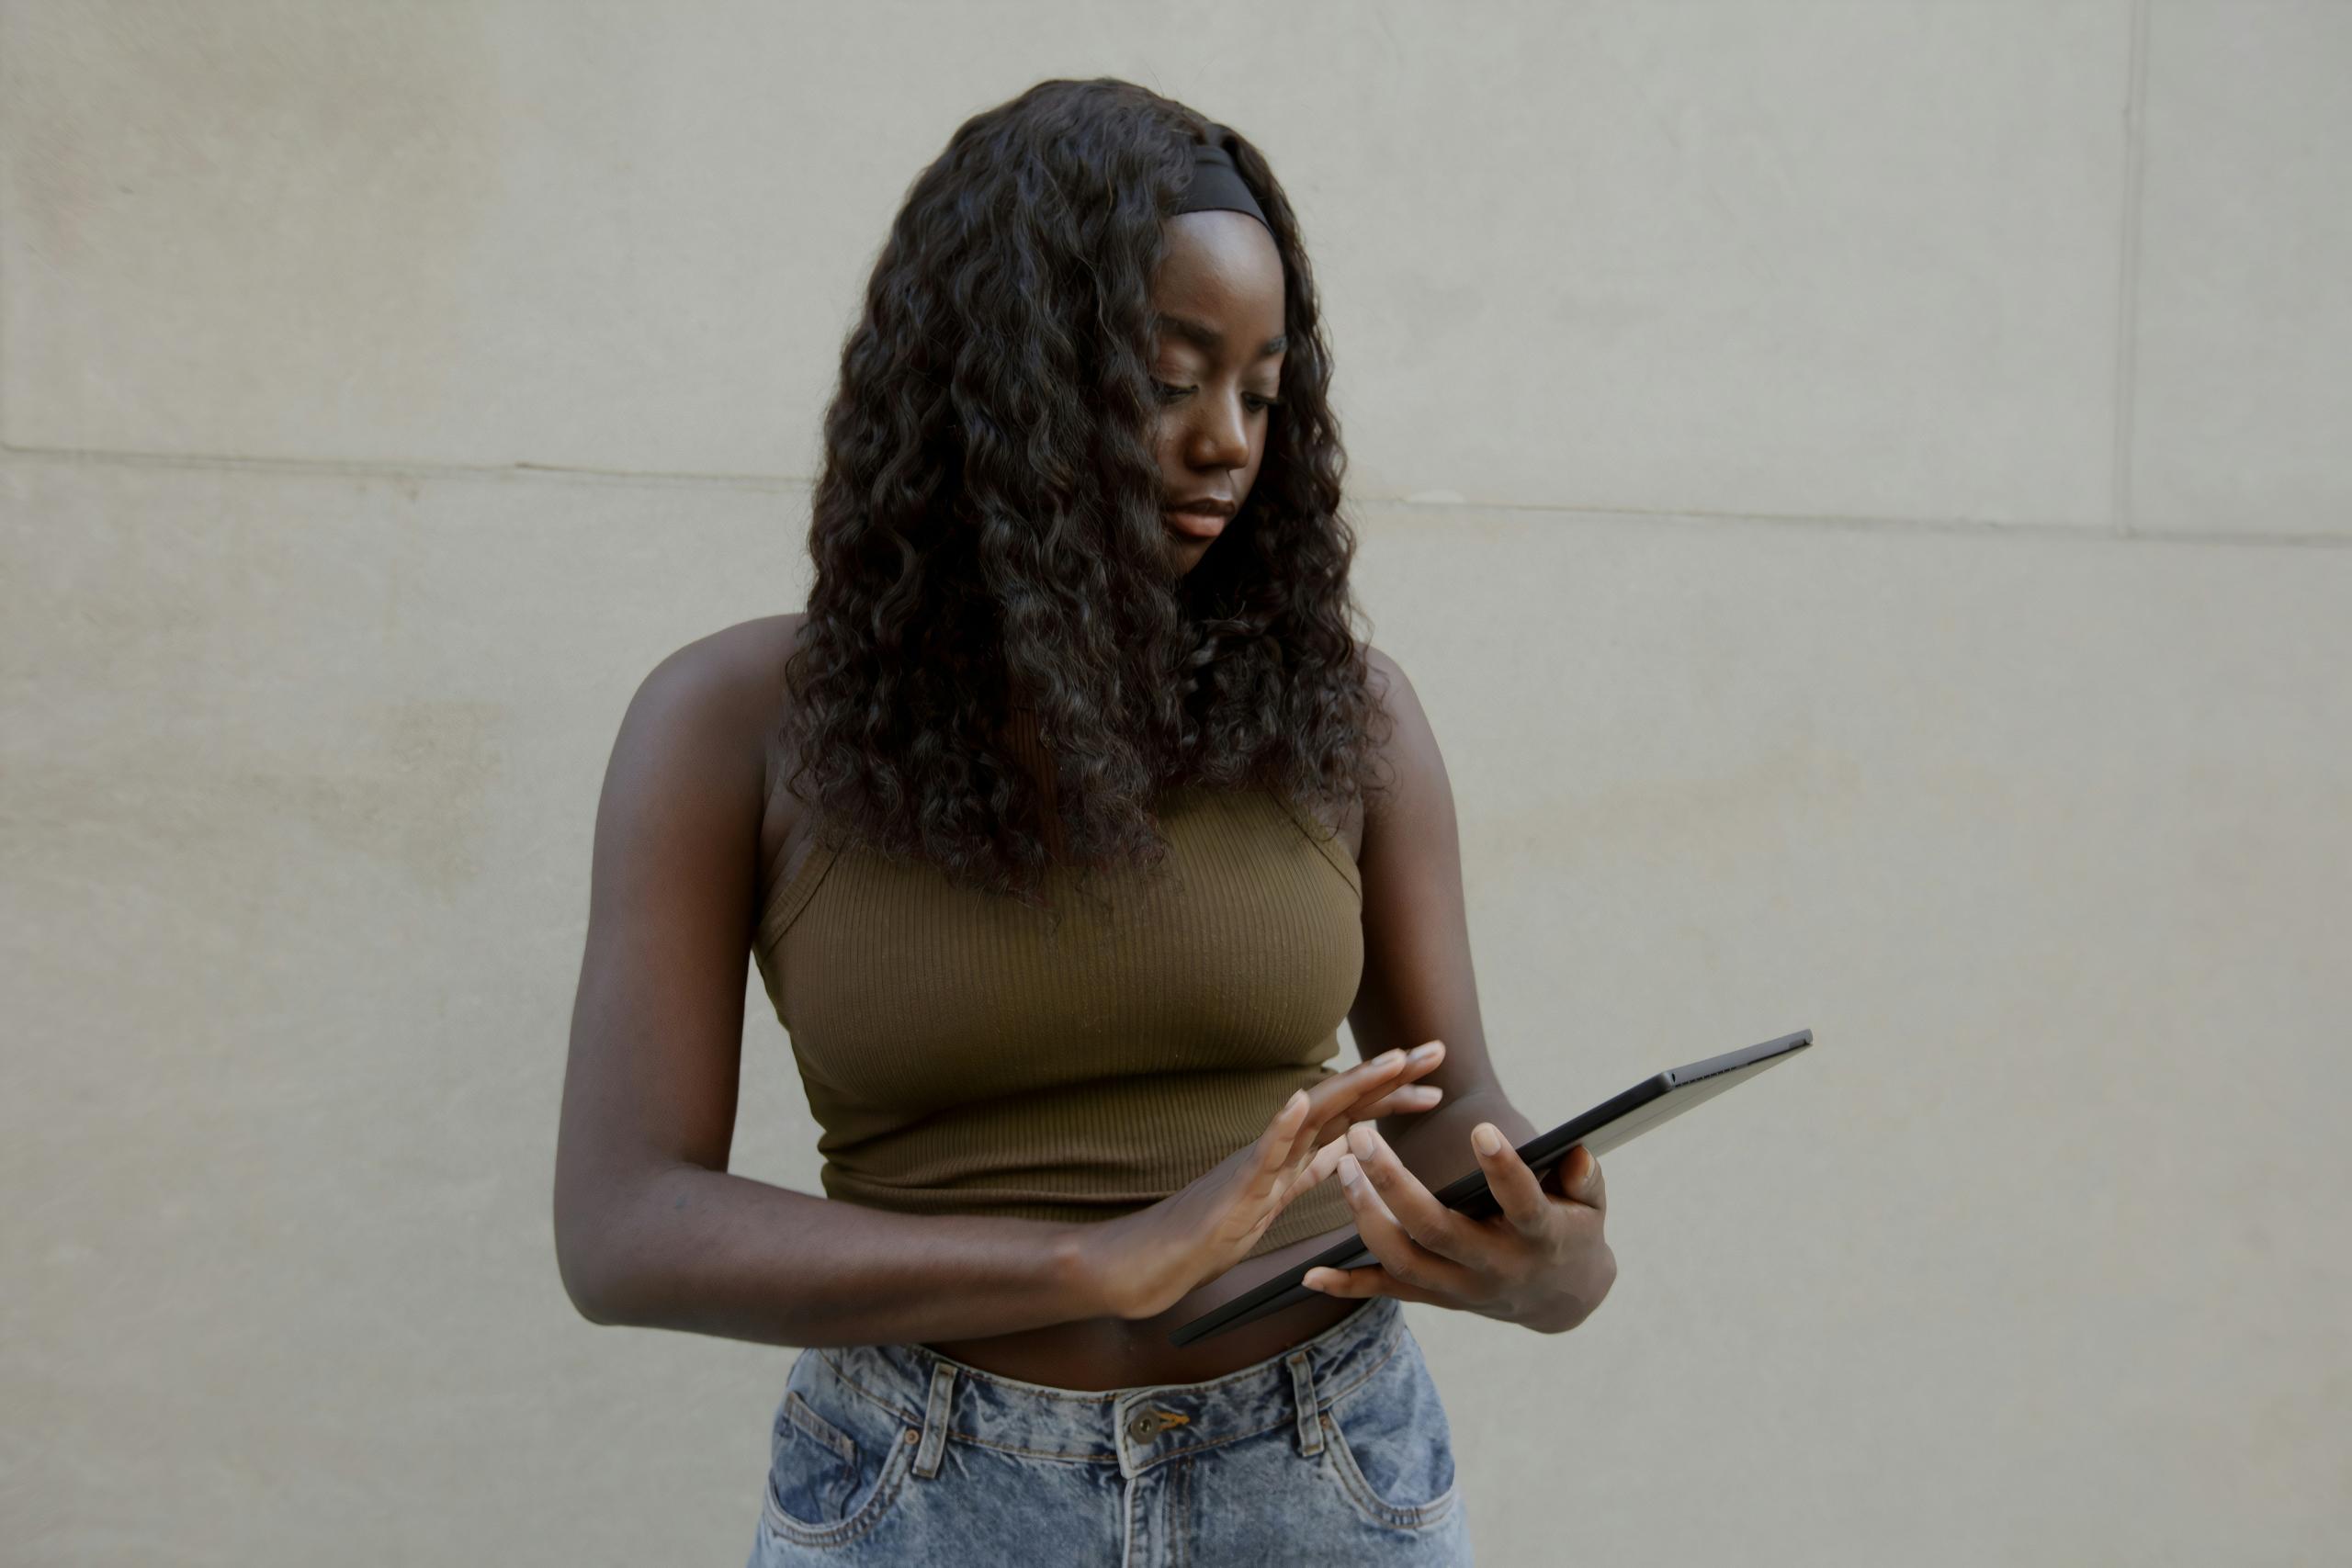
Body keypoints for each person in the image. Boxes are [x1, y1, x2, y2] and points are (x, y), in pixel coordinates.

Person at [552, 76, 1616, 1566]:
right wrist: (1090, 1262)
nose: (1226, 444)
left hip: (1321, 1475)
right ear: (1002, 375)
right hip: (925, 1486)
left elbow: (1450, 1109)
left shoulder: (1346, 715)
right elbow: (624, 1228)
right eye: (1169, 377)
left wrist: (1547, 1261)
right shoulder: (734, 727)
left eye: (1261, 387)